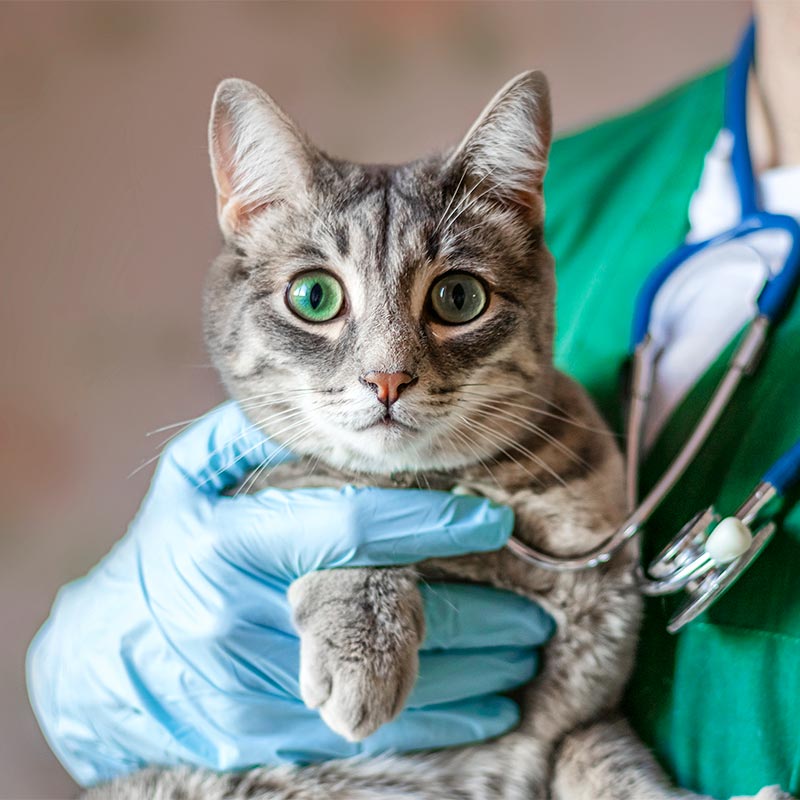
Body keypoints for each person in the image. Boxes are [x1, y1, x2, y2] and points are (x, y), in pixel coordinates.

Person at [28, 1, 800, 796]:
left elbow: (562, 740)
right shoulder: (600, 176)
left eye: (456, 300)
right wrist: (79, 679)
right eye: (318, 299)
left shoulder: (508, 227)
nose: (387, 372)